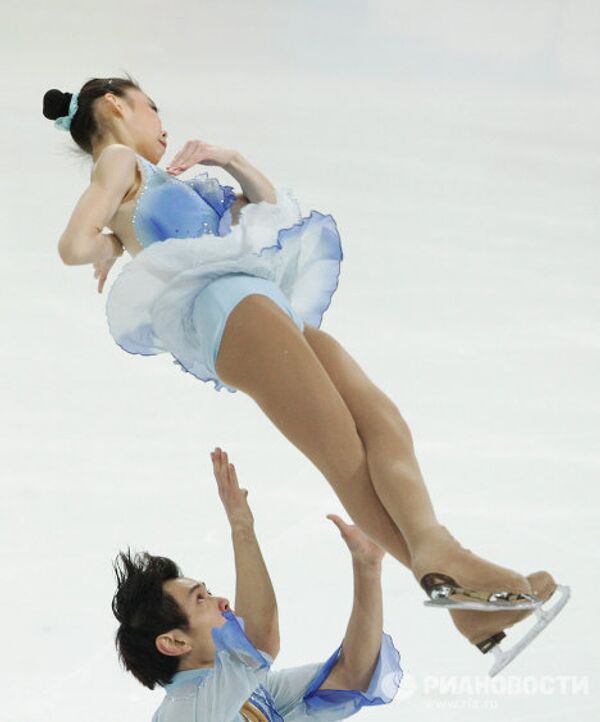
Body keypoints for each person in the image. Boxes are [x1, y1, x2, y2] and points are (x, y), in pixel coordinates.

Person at [45, 74, 569, 675]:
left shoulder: (160, 176)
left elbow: (267, 206)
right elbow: (72, 243)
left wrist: (230, 158)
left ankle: (457, 587)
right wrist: (109, 246)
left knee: (379, 420)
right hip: (226, 313)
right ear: (116, 106)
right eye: (151, 106)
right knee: (343, 450)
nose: (162, 122)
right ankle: (451, 567)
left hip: (260, 302)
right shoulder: (116, 159)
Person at [112, 447, 403, 721]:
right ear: (174, 642)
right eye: (200, 599)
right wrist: (241, 525)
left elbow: (352, 675)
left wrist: (367, 567)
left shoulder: (247, 692)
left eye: (208, 592)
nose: (222, 602)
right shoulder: (186, 712)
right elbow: (258, 641)